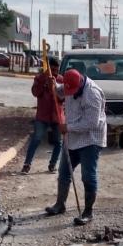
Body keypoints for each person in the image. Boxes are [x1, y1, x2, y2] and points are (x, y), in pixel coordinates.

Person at [44, 68, 106, 226]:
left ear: (80, 83)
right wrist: (53, 85)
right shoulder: (68, 86)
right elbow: (59, 92)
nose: (69, 93)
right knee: (64, 172)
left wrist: (68, 127)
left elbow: (91, 123)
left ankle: (88, 212)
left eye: (72, 90)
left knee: (87, 176)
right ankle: (60, 205)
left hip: (90, 139)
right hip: (72, 138)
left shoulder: (92, 94)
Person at [21, 57, 62, 174]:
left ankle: (53, 164)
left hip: (57, 115)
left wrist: (55, 88)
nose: (55, 73)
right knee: (36, 139)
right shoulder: (39, 78)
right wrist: (44, 84)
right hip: (43, 116)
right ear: (48, 69)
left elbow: (63, 98)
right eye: (53, 70)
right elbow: (35, 92)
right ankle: (27, 164)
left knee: (59, 142)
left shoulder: (61, 79)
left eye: (57, 70)